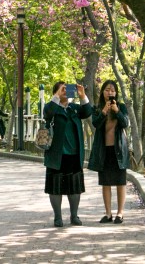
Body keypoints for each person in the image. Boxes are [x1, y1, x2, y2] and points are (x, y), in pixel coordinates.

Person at [43, 80, 92, 227]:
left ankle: (74, 216)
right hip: (55, 154)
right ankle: (58, 217)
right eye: (62, 89)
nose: (65, 91)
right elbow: (48, 113)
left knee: (74, 186)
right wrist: (57, 95)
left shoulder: (74, 108)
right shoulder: (51, 108)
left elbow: (87, 112)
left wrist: (82, 96)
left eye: (67, 89)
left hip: (74, 154)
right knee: (55, 186)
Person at [88, 79, 130, 224]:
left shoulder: (122, 107)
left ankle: (120, 213)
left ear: (116, 93)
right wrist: (104, 111)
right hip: (103, 150)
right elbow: (95, 124)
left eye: (112, 90)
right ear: (102, 92)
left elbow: (125, 123)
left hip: (119, 150)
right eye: (107, 90)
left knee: (120, 182)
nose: (110, 93)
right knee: (105, 182)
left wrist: (117, 111)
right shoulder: (97, 108)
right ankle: (108, 214)